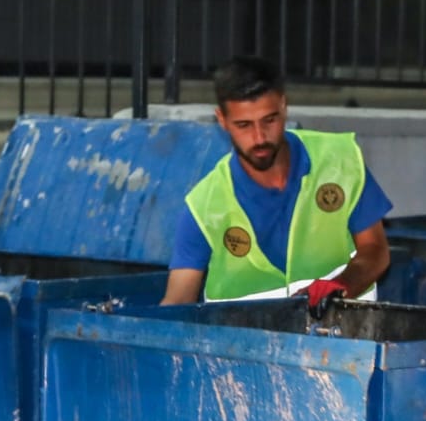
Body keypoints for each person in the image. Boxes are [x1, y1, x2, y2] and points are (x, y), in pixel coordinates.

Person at [163, 56, 392, 306]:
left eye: (269, 120)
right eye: (244, 125)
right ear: (222, 120)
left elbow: (376, 251)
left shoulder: (339, 161)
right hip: (242, 333)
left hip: (343, 329)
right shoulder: (204, 207)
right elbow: (178, 300)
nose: (259, 137)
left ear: (284, 106)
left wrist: (341, 287)